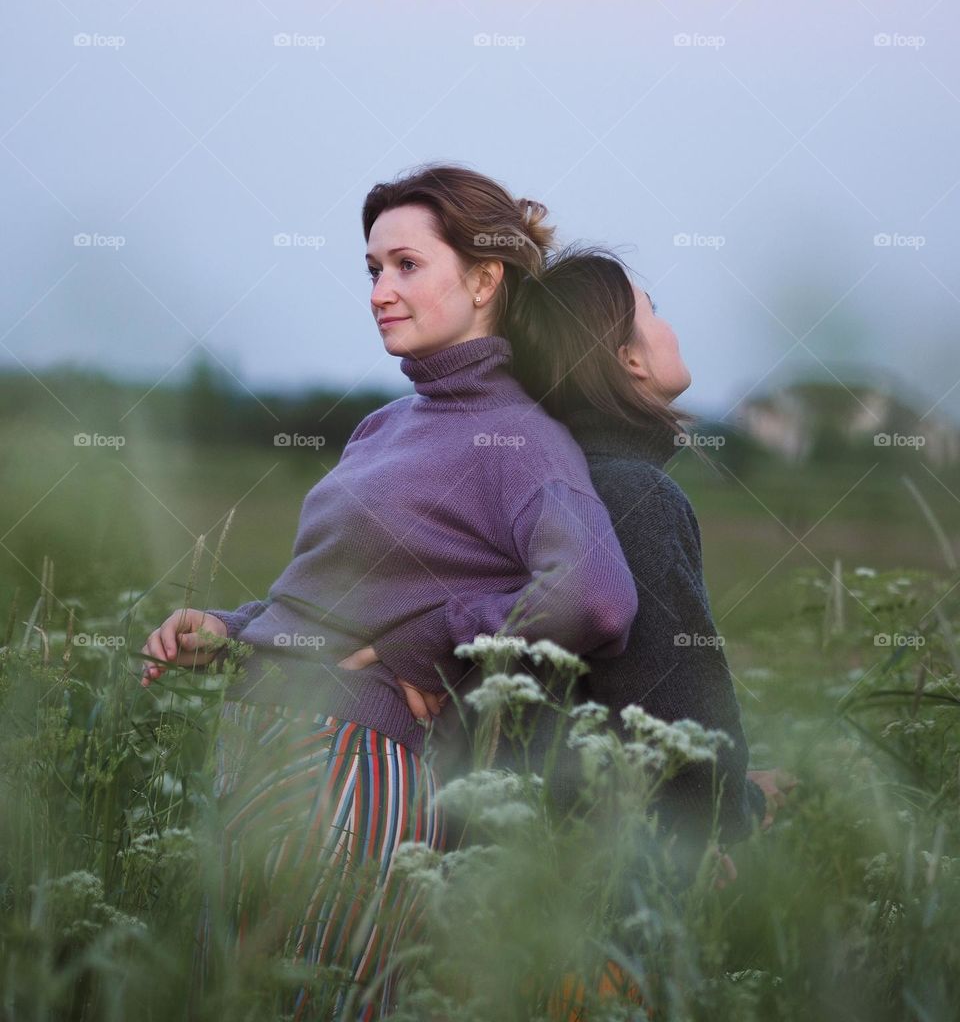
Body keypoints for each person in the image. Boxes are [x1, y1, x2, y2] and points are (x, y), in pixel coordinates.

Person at [138, 166, 640, 1020]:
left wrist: (438, 639)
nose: (380, 291)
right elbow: (337, 604)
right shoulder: (387, 424)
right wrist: (227, 630)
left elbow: (597, 596)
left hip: (353, 768)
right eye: (372, 269)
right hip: (259, 752)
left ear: (486, 279)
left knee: (317, 1006)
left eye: (407, 265)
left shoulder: (518, 438)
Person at [434, 244, 798, 900]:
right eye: (653, 312)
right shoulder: (634, 496)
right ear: (627, 359)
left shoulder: (550, 487)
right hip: (594, 881)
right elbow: (672, 703)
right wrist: (732, 812)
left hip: (511, 860)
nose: (670, 327)